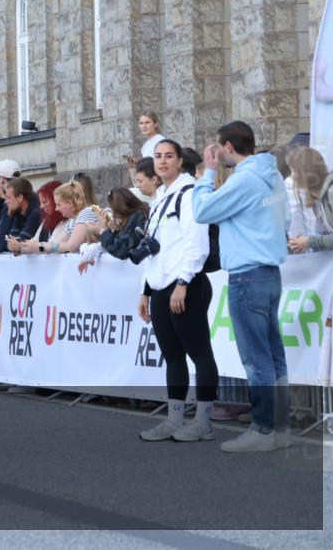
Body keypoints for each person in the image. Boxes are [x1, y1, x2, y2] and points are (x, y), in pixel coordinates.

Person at [193, 121, 291, 452]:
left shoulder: (245, 179)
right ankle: (279, 427)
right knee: (273, 354)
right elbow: (285, 220)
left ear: (228, 147)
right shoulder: (273, 175)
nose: (216, 153)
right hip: (270, 271)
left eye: (218, 148)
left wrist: (207, 174)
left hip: (248, 275)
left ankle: (263, 429)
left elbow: (202, 210)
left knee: (256, 356)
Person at [133, 139, 218, 442]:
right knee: (172, 356)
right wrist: (145, 291)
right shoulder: (159, 198)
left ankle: (204, 421)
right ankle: (174, 419)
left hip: (186, 285)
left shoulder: (190, 192)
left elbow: (196, 243)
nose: (163, 161)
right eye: (158, 157)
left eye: (169, 156)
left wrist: (182, 284)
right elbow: (155, 249)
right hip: (159, 286)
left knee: (199, 352)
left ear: (180, 161)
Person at [20, 181, 97, 254]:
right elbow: (54, 245)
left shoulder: (87, 213)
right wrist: (31, 247)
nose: (56, 209)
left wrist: (39, 246)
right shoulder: (72, 221)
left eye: (59, 205)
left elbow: (71, 246)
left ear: (70, 203)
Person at [287, 147, 333, 253]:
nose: (292, 176)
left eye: (294, 171)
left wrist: (309, 241)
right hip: (322, 259)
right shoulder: (300, 190)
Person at [0, 178, 42, 253]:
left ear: (20, 198)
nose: (6, 202)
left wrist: (17, 245)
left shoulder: (36, 214)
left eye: (8, 198)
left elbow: (20, 245)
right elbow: (2, 245)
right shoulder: (18, 213)